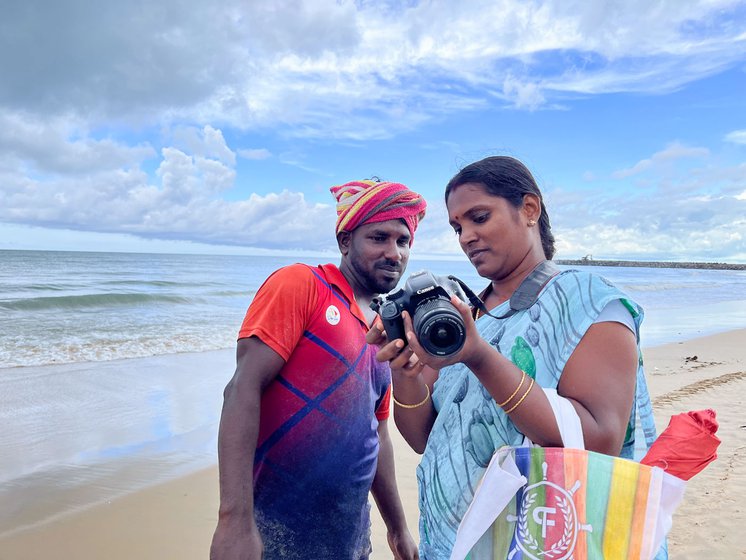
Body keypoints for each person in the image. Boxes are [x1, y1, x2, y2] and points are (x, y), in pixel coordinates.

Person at [369, 156, 662, 559]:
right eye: (458, 227)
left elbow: (598, 440)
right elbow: (423, 438)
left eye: (479, 217)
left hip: (537, 544)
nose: (466, 236)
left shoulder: (587, 302)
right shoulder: (468, 315)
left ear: (529, 210)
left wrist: (479, 357)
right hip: (453, 544)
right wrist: (404, 370)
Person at [210, 179, 425, 560]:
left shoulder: (383, 329)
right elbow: (242, 389)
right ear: (346, 241)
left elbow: (376, 434)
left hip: (349, 541)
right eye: (378, 238)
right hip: (271, 533)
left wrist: (398, 529)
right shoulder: (303, 285)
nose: (394, 253)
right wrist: (234, 521)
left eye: (403, 241)